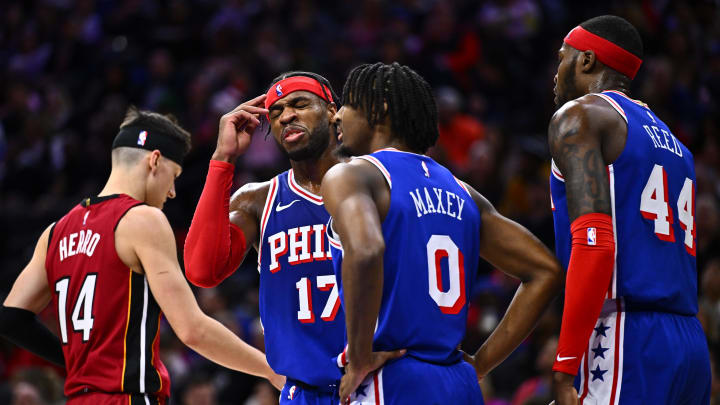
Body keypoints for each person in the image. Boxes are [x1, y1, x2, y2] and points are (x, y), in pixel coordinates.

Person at [0, 107, 283, 404]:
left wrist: (74, 362)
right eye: (173, 176)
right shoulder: (142, 219)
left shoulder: (55, 232)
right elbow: (192, 329)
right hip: (128, 396)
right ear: (155, 160)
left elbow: (11, 319)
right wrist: (270, 369)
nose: (172, 192)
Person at [321, 62, 562, 404]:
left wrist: (359, 358)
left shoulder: (352, 175)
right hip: (457, 383)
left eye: (347, 103)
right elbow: (546, 271)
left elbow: (365, 250)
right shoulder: (463, 191)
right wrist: (481, 364)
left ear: (381, 107)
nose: (337, 117)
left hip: (394, 377)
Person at [548, 15, 711, 404]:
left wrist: (565, 365)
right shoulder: (675, 144)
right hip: (689, 341)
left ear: (587, 60)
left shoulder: (581, 117)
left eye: (562, 58)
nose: (555, 73)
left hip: (626, 337)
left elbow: (595, 244)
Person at [184, 72, 346, 404]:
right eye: (276, 112)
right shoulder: (258, 200)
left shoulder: (375, 183)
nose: (287, 115)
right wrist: (223, 159)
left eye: (300, 104)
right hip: (304, 392)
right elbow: (202, 269)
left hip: (377, 383)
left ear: (332, 111)